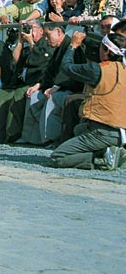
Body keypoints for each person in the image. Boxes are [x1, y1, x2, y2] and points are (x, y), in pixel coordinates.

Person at [49, 20, 126, 169]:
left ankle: (102, 157)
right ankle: (112, 150)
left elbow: (66, 67)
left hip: (103, 130)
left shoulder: (98, 70)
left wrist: (73, 46)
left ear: (107, 51)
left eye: (101, 48)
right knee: (79, 129)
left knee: (58, 158)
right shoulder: (122, 68)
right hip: (120, 129)